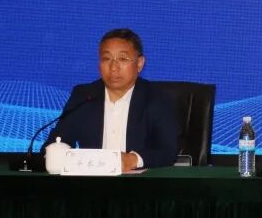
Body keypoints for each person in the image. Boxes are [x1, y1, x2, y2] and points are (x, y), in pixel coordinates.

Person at [45, 28, 179, 170]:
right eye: (106, 59)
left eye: (123, 59)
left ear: (139, 63)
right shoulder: (84, 96)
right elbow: (56, 143)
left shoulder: (157, 98)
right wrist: (56, 155)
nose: (114, 67)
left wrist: (133, 160)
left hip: (140, 182)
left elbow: (168, 152)